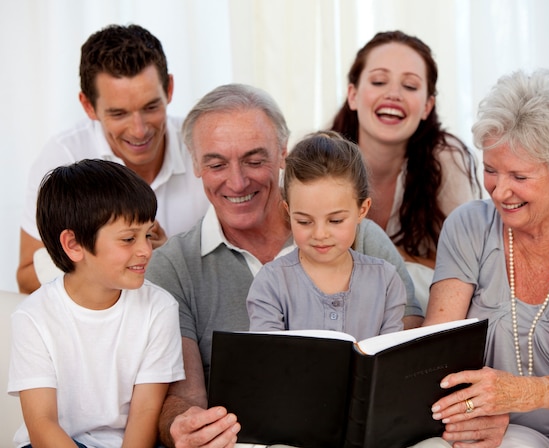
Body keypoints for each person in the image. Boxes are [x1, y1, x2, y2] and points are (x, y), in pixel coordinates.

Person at [145, 83, 424, 448]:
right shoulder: (174, 267)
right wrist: (183, 426)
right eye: (216, 163)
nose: (237, 181)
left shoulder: (361, 238)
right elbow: (185, 397)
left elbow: (408, 354)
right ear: (195, 164)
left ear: (282, 153)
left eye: (255, 160)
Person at [423, 68, 549, 447]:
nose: (500, 191)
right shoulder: (469, 226)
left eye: (519, 176)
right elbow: (432, 355)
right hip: (503, 429)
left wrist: (527, 393)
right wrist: (473, 412)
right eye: (490, 170)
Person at [16, 23, 209, 294]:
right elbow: (26, 278)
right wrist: (113, 255)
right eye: (119, 114)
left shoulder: (203, 147)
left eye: (151, 107)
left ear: (169, 89)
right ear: (87, 106)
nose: (139, 130)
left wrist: (167, 256)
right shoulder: (63, 157)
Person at [8, 159, 185, 448]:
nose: (145, 250)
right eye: (129, 238)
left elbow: (144, 414)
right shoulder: (33, 316)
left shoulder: (159, 308)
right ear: (74, 245)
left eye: (148, 234)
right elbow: (42, 424)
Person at [330, 30, 481, 313]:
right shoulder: (318, 157)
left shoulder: (447, 160)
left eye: (410, 86)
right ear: (353, 95)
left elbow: (472, 270)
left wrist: (378, 254)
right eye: (378, 81)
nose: (393, 94)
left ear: (427, 106)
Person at [247, 130, 405, 340]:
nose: (320, 234)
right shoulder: (271, 283)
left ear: (362, 209)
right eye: (304, 221)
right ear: (288, 210)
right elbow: (267, 361)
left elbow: (390, 361)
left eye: (336, 220)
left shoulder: (386, 282)